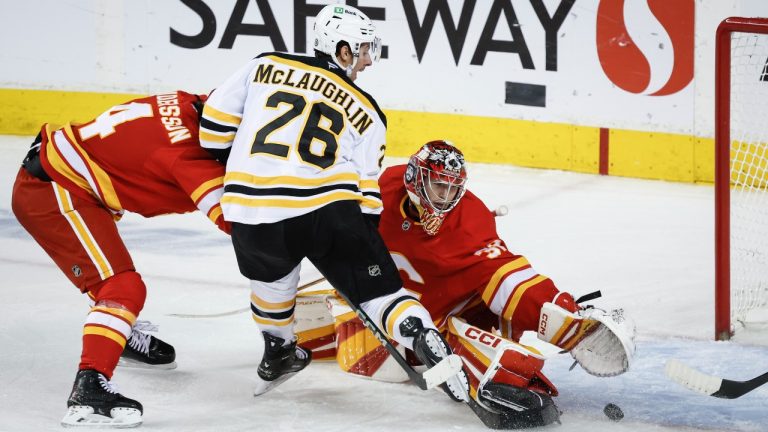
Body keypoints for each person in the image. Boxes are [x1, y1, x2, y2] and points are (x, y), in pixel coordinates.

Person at [199, 3, 467, 400]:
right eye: (362, 51)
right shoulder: (368, 110)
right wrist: (360, 256)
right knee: (382, 297)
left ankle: (278, 350)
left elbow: (213, 132)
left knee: (272, 284)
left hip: (251, 210)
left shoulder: (262, 65)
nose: (366, 62)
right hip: (329, 209)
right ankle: (420, 334)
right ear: (342, 50)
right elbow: (368, 197)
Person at [296, 140, 636, 428]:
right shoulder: (383, 187)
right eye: (438, 186)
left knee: (492, 318)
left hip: (447, 309)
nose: (445, 198)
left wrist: (564, 319)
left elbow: (507, 279)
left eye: (452, 188)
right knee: (363, 356)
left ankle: (565, 333)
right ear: (415, 180)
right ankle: (494, 373)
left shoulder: (469, 220)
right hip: (386, 317)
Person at [11, 91, 230, 428]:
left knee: (113, 280)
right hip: (53, 192)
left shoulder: (187, 101)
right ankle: (90, 387)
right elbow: (245, 225)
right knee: (123, 287)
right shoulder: (189, 158)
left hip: (62, 174)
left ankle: (116, 334)